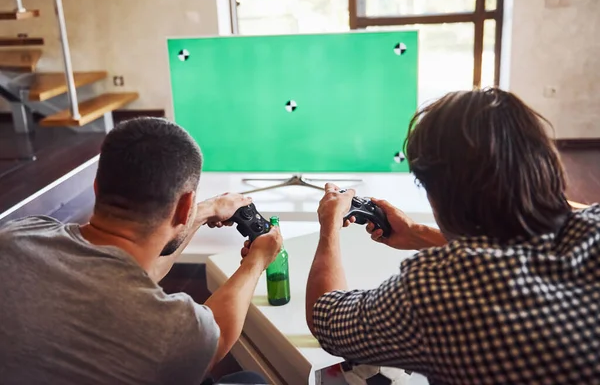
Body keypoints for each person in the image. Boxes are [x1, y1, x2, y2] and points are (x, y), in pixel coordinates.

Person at [306, 88, 600, 384]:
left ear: (438, 193)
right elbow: (519, 255)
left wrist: (329, 226)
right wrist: (420, 235)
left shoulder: (437, 291)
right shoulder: (593, 224)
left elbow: (326, 319)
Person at [0, 117, 282, 385]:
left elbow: (133, 270)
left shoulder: (17, 235)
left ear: (97, 187)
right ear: (185, 206)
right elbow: (216, 338)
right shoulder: (169, 328)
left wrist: (207, 210)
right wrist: (256, 260)